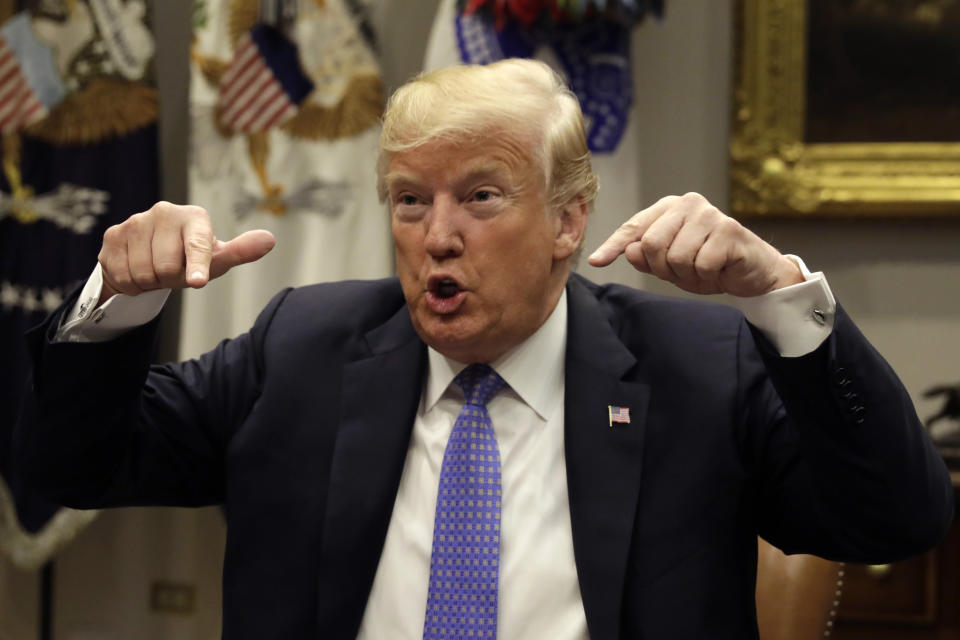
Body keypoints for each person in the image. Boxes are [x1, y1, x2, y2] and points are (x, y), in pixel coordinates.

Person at [15, 59, 953, 640]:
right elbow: (69, 464)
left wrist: (780, 299)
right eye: (411, 200)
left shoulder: (696, 365)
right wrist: (116, 306)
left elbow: (895, 522)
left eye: (481, 196)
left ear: (568, 218)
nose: (437, 235)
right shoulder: (304, 345)